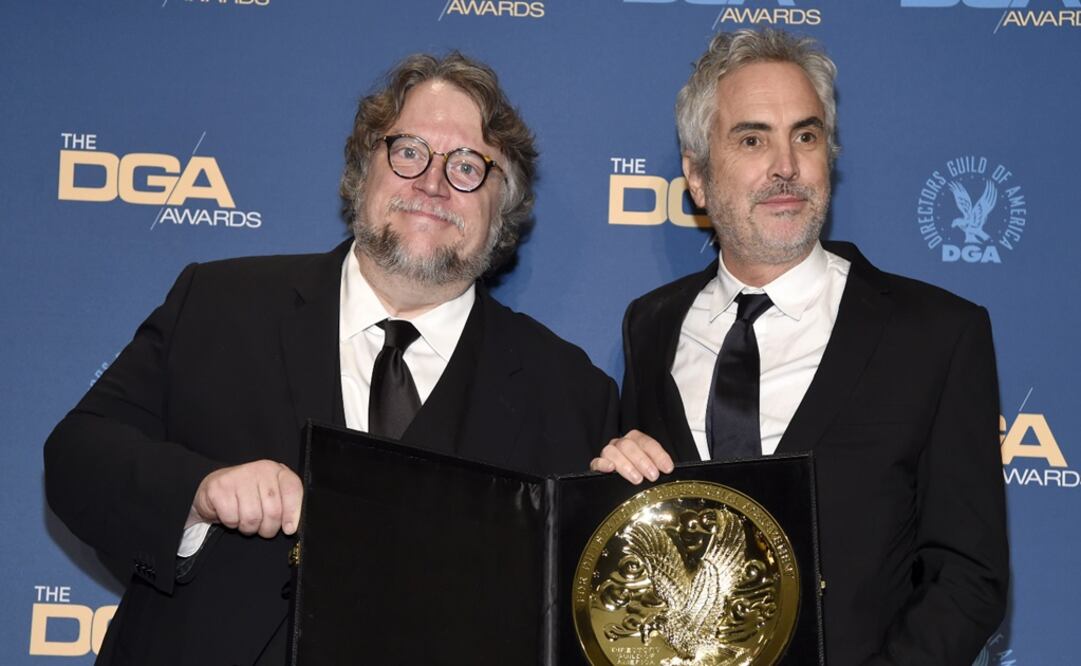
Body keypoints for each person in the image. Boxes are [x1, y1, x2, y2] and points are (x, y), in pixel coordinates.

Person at [44, 52, 617, 665]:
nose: (433, 182)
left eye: (469, 166)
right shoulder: (218, 304)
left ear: (503, 206)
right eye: (408, 151)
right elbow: (77, 457)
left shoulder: (570, 392)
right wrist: (199, 491)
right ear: (363, 166)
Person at [591, 29, 1008, 665]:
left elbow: (969, 578)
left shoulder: (938, 334)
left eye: (805, 136)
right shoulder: (649, 326)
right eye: (753, 138)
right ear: (697, 175)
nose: (785, 164)